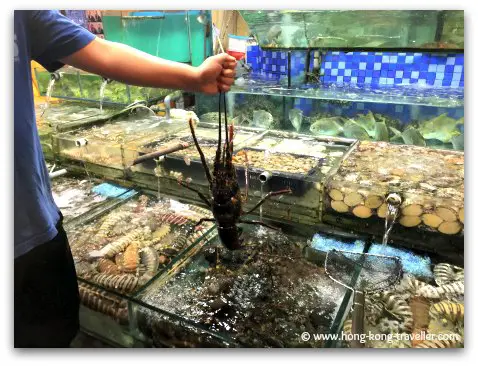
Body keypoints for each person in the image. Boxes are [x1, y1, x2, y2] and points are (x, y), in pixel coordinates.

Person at [14, 10, 236, 348]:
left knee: (56, 334)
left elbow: (101, 52)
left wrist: (194, 77)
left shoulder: (20, 12)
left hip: (37, 228)